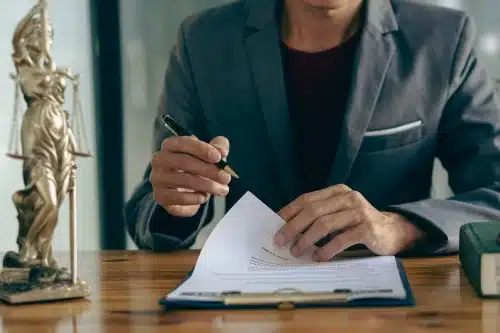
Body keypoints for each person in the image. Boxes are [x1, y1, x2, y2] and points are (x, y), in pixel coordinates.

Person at [124, 0, 500, 261]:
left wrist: (399, 228)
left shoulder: (442, 39)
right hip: (247, 300)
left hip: (396, 306)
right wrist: (176, 201)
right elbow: (150, 209)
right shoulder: (204, 40)